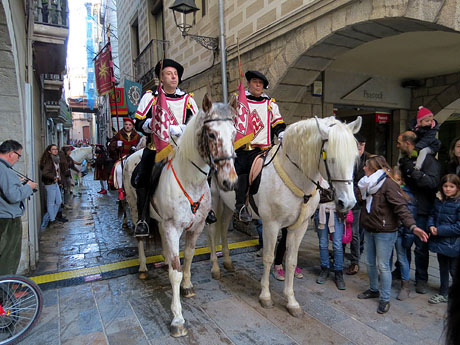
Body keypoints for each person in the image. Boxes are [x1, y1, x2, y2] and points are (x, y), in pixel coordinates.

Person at [134, 59, 198, 236]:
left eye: (175, 74)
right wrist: (153, 124)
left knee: (204, 170)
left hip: (181, 150)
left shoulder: (187, 100)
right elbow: (138, 123)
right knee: (143, 176)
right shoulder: (150, 97)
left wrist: (182, 128)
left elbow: (196, 123)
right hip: (156, 148)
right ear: (161, 78)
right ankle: (143, 219)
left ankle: (204, 210)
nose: (173, 77)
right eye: (169, 74)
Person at [357, 155, 428, 314]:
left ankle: (385, 299)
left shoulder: (389, 184)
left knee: (383, 265)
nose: (363, 168)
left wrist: (413, 226)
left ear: (374, 168)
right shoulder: (366, 185)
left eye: (366, 166)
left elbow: (401, 208)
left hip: (385, 232)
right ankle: (374, 289)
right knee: (369, 263)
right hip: (369, 229)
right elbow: (359, 201)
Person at [234, 70, 286, 222]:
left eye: (261, 83)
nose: (258, 85)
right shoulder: (240, 101)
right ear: (249, 83)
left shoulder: (270, 103)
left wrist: (282, 133)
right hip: (245, 148)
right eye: (255, 82)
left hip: (266, 148)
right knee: (243, 168)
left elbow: (277, 122)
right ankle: (241, 205)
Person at [397, 131, 441, 294]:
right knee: (404, 245)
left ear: (408, 143)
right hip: (407, 209)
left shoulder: (429, 161)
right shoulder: (405, 161)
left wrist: (412, 172)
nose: (397, 145)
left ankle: (421, 279)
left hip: (422, 210)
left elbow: (432, 183)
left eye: (399, 142)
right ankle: (403, 275)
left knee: (421, 247)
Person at [0, 140, 37, 275]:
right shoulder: (4, 170)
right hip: (8, 219)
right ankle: (7, 291)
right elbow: (13, 196)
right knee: (9, 255)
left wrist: (17, 183)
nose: (18, 159)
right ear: (11, 154)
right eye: (18, 155)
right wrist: (29, 187)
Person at [426, 174, 460, 304]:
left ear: (457, 187)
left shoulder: (458, 203)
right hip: (441, 242)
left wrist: (439, 230)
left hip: (454, 244)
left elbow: (458, 226)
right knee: (443, 268)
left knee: (454, 269)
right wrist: (431, 226)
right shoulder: (439, 200)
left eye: (451, 186)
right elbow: (432, 214)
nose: (448, 189)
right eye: (445, 186)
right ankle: (444, 292)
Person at [346, 132, 371, 275]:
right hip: (347, 198)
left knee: (356, 233)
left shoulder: (369, 160)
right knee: (343, 231)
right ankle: (342, 257)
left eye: (362, 144)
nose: (360, 147)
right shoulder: (347, 157)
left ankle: (355, 261)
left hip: (360, 201)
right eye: (358, 144)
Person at [391, 167, 417, 300]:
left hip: (401, 232)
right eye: (393, 180)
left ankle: (405, 286)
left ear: (403, 181)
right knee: (387, 257)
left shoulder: (407, 195)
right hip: (389, 231)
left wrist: (408, 235)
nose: (396, 183)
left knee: (402, 258)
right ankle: (387, 280)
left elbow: (409, 216)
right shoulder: (388, 192)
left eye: (398, 180)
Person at [314, 185, 346, 290]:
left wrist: (325, 194)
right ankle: (325, 268)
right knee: (323, 243)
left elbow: (343, 194)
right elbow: (315, 196)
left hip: (337, 213)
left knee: (337, 244)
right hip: (321, 211)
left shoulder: (337, 174)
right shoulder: (319, 177)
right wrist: (331, 195)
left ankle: (338, 272)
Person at [108, 117, 141, 200]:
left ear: (132, 126)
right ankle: (120, 190)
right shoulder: (119, 135)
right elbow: (110, 145)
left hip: (133, 157)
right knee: (119, 170)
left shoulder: (137, 136)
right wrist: (116, 144)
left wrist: (136, 148)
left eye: (130, 125)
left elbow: (141, 146)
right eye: (126, 124)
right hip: (122, 157)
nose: (127, 126)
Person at [39, 144, 67, 229]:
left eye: (56, 149)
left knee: (58, 201)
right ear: (49, 151)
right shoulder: (49, 160)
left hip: (55, 183)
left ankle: (50, 218)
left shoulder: (55, 159)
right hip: (50, 183)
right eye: (53, 149)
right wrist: (54, 177)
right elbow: (45, 173)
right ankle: (51, 220)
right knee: (51, 203)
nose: (55, 151)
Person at [409, 106, 441, 170]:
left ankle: (417, 167)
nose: (429, 122)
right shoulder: (415, 128)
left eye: (430, 120)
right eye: (427, 121)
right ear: (420, 121)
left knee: (423, 151)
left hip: (432, 146)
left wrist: (417, 148)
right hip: (421, 144)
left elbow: (427, 140)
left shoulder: (432, 129)